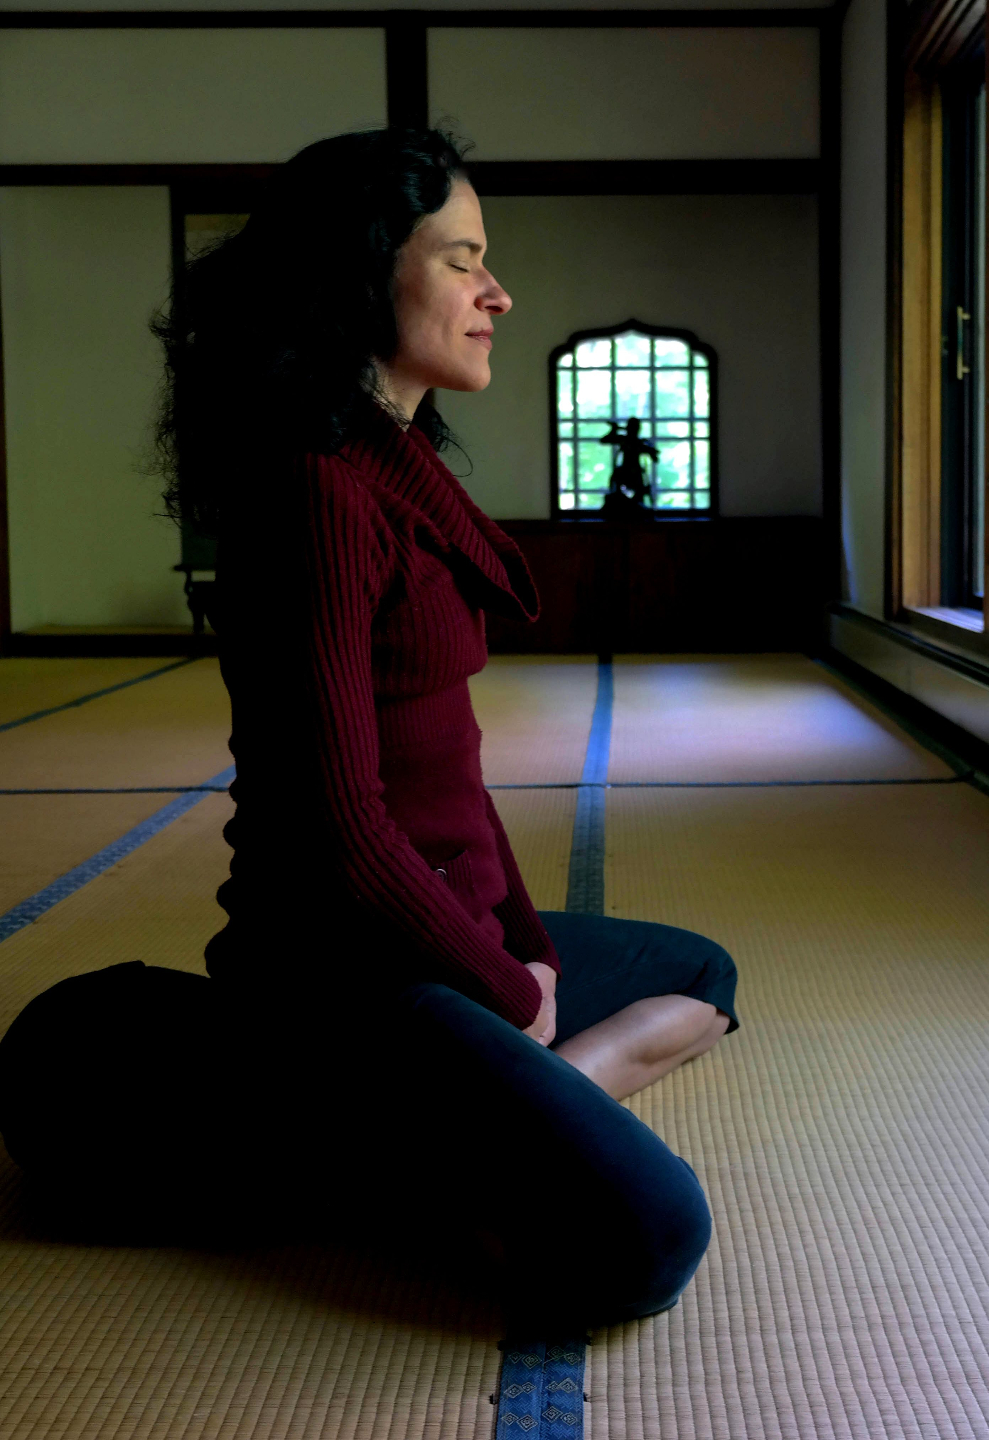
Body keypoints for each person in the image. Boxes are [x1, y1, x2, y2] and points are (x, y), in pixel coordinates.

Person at [0, 129, 737, 1332]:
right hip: (349, 969)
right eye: (461, 259)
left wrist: (525, 951)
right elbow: (340, 830)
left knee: (695, 970)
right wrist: (505, 988)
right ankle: (438, 1143)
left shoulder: (394, 466)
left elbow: (448, 771)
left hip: (449, 933)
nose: (497, 293)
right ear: (359, 276)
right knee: (648, 1237)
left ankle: (432, 1143)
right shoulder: (316, 492)